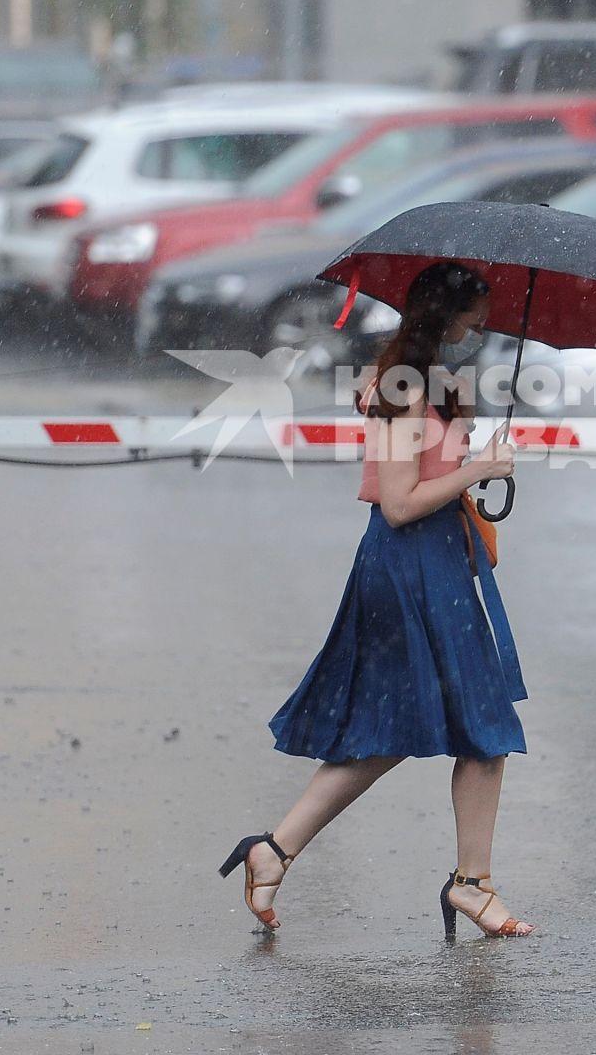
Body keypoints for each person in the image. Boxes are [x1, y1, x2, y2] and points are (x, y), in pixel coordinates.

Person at [220, 262, 535, 939]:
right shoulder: (400, 393)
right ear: (439, 319)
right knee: (472, 724)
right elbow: (398, 506)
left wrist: (472, 442)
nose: (477, 334)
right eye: (472, 322)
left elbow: (436, 476)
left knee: (431, 728)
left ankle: (274, 852)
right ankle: (470, 884)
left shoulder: (440, 387)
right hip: (405, 567)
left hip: (443, 564)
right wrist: (477, 468)